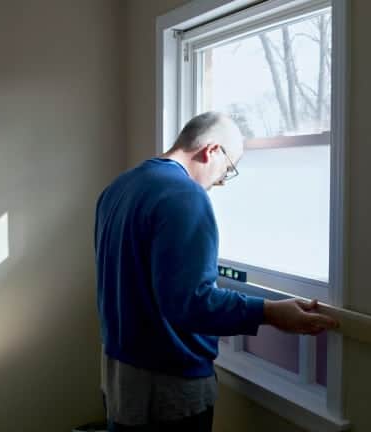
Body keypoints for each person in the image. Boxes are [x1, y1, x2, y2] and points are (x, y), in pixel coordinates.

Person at [94, 112, 338, 432]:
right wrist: (270, 312)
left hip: (119, 375)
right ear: (212, 151)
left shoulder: (117, 189)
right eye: (227, 171)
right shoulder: (184, 195)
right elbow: (192, 304)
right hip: (166, 385)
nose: (220, 183)